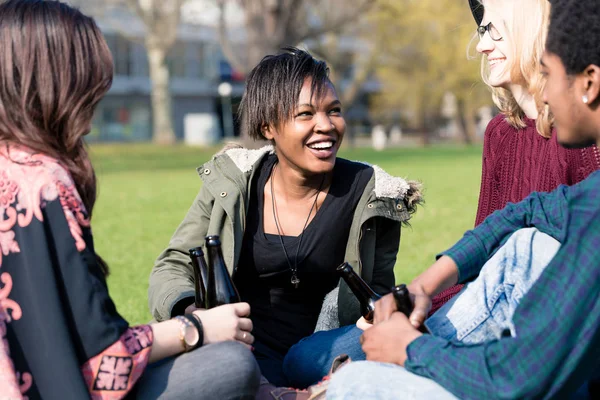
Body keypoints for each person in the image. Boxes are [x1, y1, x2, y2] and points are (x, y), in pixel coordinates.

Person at [325, 0, 600, 398]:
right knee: (525, 242)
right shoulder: (587, 196)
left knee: (354, 381)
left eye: (547, 73)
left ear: (588, 84)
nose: (545, 91)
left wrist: (411, 349)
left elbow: (518, 376)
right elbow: (523, 214)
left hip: (528, 359)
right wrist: (426, 285)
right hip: (496, 323)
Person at [0, 1, 260, 399]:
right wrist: (199, 329)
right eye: (89, 77)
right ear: (55, 81)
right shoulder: (42, 184)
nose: (98, 91)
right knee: (230, 364)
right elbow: (106, 363)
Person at [148, 47, 422, 388]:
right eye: (305, 114)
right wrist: (196, 316)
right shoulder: (234, 183)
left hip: (323, 354)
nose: (326, 126)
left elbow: (375, 292)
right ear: (268, 127)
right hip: (238, 350)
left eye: (333, 111)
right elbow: (173, 266)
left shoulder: (371, 194)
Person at [432, 0, 600, 313]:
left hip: (538, 322)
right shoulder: (500, 133)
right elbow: (483, 244)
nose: (482, 45)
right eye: (482, 31)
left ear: (530, 31)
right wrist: (423, 305)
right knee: (318, 349)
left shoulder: (582, 137)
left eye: (493, 31)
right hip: (482, 303)